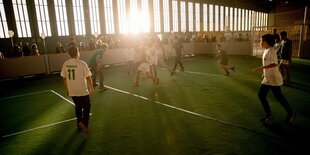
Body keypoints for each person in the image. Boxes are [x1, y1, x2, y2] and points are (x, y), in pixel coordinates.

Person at [253, 33, 295, 123]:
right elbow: (268, 63)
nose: (260, 42)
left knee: (279, 97)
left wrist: (261, 68)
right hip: (268, 78)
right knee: (261, 95)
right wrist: (265, 73)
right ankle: (269, 115)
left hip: (274, 79)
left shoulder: (271, 51)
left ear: (266, 42)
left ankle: (290, 113)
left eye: (261, 40)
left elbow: (274, 63)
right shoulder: (266, 50)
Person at [61, 46, 94, 134]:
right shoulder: (82, 63)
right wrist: (91, 88)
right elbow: (88, 77)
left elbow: (64, 78)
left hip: (72, 90)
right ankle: (84, 123)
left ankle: (78, 124)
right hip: (82, 90)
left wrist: (67, 89)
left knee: (78, 106)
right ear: (77, 53)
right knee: (87, 106)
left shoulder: (65, 64)